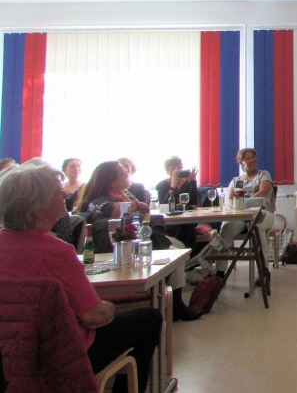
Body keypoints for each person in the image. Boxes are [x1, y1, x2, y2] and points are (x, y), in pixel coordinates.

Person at [0, 160, 162, 393]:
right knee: (149, 318)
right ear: (36, 208)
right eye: (58, 192)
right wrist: (110, 306)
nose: (66, 195)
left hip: (10, 357)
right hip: (60, 356)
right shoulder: (57, 252)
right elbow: (94, 317)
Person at [79, 160, 202, 321]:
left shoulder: (125, 194)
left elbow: (144, 215)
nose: (127, 174)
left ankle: (171, 298)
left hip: (138, 241)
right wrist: (136, 205)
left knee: (178, 247)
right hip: (117, 250)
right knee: (175, 253)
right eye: (123, 173)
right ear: (111, 180)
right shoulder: (98, 200)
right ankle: (173, 302)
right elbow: (116, 211)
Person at [215, 148, 276, 276]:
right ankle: (220, 272)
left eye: (253, 157)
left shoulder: (264, 175)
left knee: (257, 225)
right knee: (226, 227)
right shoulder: (236, 180)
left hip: (263, 214)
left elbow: (263, 192)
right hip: (241, 217)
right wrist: (236, 206)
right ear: (241, 163)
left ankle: (264, 270)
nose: (252, 160)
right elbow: (229, 199)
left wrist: (243, 203)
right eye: (248, 158)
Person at [155, 156, 198, 249]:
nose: (177, 171)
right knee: (181, 228)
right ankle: (184, 252)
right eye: (173, 168)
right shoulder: (162, 185)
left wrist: (193, 182)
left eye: (179, 168)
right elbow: (164, 205)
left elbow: (193, 203)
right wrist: (173, 186)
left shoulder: (187, 184)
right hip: (170, 220)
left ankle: (189, 253)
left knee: (186, 226)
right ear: (167, 171)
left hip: (187, 218)